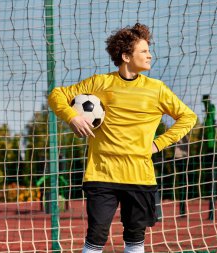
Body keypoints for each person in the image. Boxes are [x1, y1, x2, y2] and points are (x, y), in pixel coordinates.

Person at [48, 23, 197, 253]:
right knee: (96, 237)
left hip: (140, 176)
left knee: (135, 239)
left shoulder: (156, 89)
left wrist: (158, 144)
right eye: (144, 51)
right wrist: (72, 117)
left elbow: (188, 117)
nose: (150, 55)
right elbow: (57, 95)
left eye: (149, 51)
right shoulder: (100, 83)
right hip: (102, 174)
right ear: (126, 56)